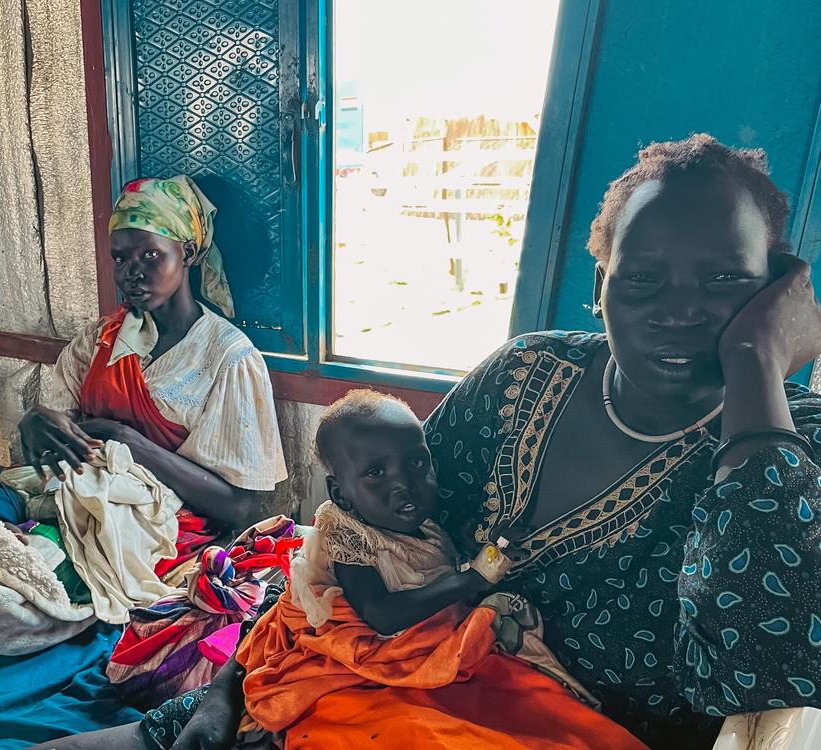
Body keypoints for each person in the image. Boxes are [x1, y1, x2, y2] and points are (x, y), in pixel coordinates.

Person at [136, 134, 821, 750]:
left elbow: (758, 674)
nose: (678, 311)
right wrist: (229, 688)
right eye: (641, 278)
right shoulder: (522, 374)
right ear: (600, 283)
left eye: (725, 278)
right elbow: (351, 541)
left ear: (774, 289)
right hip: (351, 687)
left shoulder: (791, 450)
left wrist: (756, 365)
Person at [232, 389, 646, 749]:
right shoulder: (347, 536)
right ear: (340, 493)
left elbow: (441, 572)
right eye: (376, 473)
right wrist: (472, 578)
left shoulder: (424, 525)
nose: (404, 484)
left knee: (538, 711)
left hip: (429, 640)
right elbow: (381, 614)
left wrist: (494, 550)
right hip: (370, 655)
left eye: (416, 463)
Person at [17, 175, 287, 574]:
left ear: (189, 252)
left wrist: (125, 438)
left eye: (150, 256)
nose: (132, 273)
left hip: (166, 532)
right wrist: (35, 423)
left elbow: (239, 506)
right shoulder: (97, 342)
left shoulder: (227, 358)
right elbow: (60, 446)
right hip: (80, 505)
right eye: (121, 259)